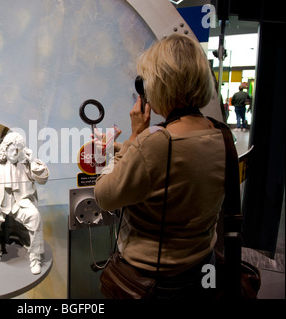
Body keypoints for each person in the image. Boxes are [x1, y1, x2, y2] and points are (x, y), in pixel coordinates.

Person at [94, 34, 225, 299]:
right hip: (201, 268)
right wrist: (128, 149)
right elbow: (173, 171)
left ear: (161, 84)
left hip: (155, 283)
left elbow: (104, 196)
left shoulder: (155, 142)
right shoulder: (219, 134)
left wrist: (134, 137)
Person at [0, 132, 49, 275]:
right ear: (5, 147)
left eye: (19, 149)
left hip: (20, 203)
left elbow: (43, 178)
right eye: (13, 149)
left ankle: (35, 258)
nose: (16, 153)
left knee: (34, 217)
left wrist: (33, 160)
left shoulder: (25, 162)